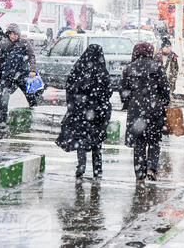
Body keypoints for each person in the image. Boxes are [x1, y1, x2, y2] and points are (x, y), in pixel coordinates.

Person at [55, 44, 112, 178]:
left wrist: (73, 104)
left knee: (81, 138)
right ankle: (97, 170)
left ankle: (81, 166)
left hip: (80, 111)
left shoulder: (79, 67)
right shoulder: (101, 71)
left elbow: (69, 87)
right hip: (98, 112)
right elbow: (108, 91)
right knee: (96, 141)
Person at [119, 42, 170, 182]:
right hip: (155, 109)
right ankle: (151, 168)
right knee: (154, 140)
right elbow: (165, 89)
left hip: (136, 111)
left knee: (139, 142)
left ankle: (139, 174)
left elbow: (123, 91)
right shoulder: (157, 67)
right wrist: (164, 101)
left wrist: (130, 101)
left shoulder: (129, 68)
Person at [0, 23, 38, 123]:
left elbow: (31, 57)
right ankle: (1, 118)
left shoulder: (24, 43)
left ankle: (36, 113)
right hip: (7, 75)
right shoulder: (3, 43)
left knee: (30, 94)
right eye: (10, 34)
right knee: (4, 97)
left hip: (22, 75)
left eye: (14, 34)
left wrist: (33, 70)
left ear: (18, 33)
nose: (13, 36)